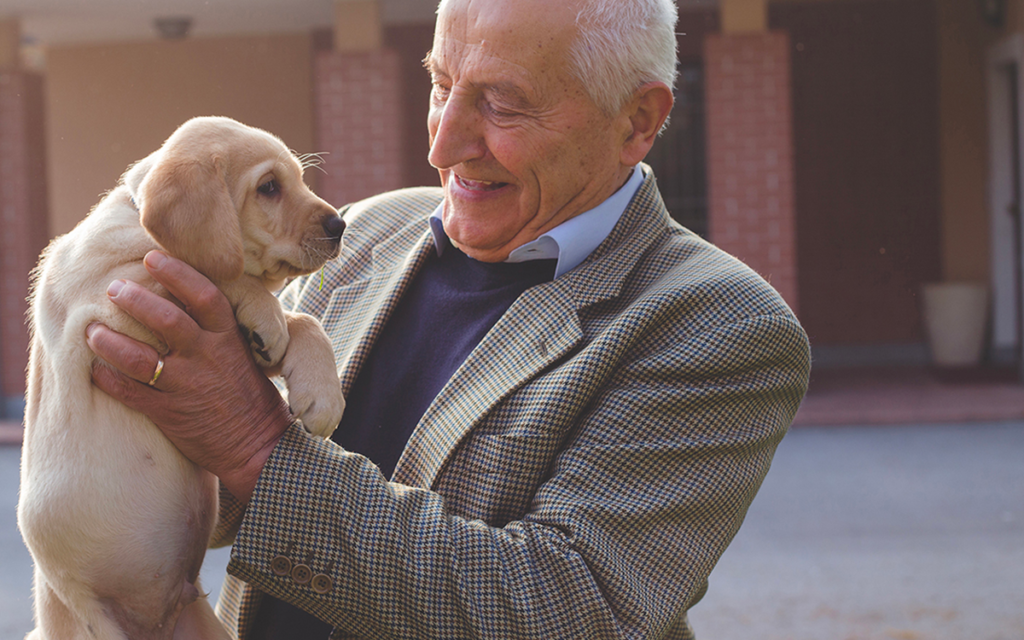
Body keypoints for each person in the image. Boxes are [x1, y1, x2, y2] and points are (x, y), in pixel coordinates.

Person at [86, 0, 811, 637]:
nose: (441, 143)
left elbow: (566, 610)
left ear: (637, 121)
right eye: (440, 85)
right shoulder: (362, 234)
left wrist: (253, 442)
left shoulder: (716, 322)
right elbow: (230, 512)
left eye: (503, 104)